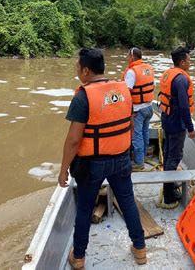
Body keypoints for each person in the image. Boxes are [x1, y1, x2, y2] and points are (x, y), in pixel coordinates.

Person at [58, 48, 147, 268]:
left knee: (85, 208)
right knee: (128, 202)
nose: (77, 71)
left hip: (92, 164)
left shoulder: (82, 97)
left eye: (78, 67)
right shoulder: (124, 90)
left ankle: (78, 258)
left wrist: (63, 170)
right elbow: (131, 124)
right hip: (121, 159)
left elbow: (73, 141)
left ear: (86, 70)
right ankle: (140, 249)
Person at [158, 46, 195, 207]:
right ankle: (169, 196)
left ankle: (169, 184)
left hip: (167, 118)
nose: (190, 62)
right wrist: (190, 128)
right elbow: (184, 106)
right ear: (181, 62)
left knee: (168, 154)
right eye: (188, 59)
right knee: (174, 156)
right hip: (176, 122)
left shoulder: (169, 73)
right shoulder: (181, 79)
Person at [121, 47, 155, 171]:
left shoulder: (131, 72)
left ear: (132, 56)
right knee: (145, 133)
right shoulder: (148, 68)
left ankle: (139, 163)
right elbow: (152, 85)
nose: (126, 58)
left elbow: (127, 91)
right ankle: (143, 157)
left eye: (127, 56)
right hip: (149, 107)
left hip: (138, 110)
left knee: (136, 136)